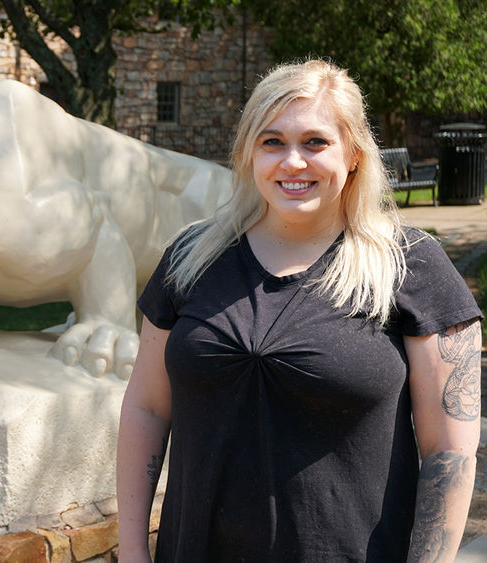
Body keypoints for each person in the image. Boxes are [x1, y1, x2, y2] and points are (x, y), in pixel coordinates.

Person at [116, 59, 482, 562]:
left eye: (315, 142)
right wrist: (134, 554)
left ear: (353, 154)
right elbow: (147, 409)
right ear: (248, 152)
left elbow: (449, 450)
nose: (292, 162)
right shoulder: (190, 260)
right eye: (272, 142)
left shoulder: (410, 267)